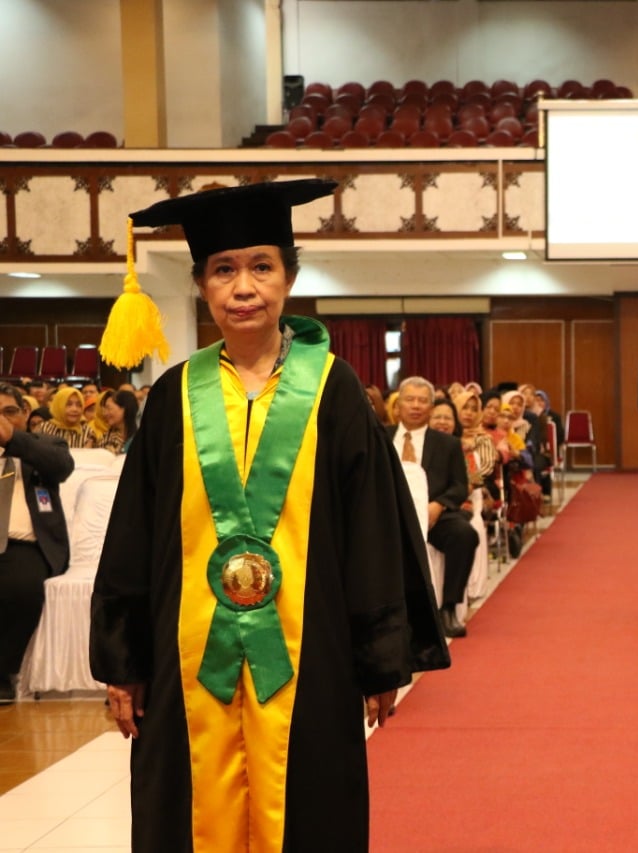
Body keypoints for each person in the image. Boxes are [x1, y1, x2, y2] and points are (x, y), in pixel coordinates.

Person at [89, 180, 449, 852]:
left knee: (309, 804)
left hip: (310, 656)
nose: (243, 286)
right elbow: (135, 533)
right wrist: (124, 658)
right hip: (186, 658)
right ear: (201, 284)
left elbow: (372, 531)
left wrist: (379, 660)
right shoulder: (173, 397)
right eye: (224, 269)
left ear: (289, 276)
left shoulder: (333, 390)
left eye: (261, 266)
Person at [0, 383, 72, 704]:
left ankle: (2, 674)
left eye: (8, 412)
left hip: (24, 546)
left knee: (21, 589)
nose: (1, 420)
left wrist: (13, 441)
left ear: (25, 413)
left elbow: (62, 467)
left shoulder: (44, 444)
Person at [392, 376, 479, 639]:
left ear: (431, 407)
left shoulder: (447, 444)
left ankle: (448, 609)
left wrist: (438, 506)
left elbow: (459, 486)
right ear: (398, 405)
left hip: (433, 516)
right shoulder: (379, 437)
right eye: (410, 399)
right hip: (390, 516)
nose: (416, 406)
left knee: (464, 535)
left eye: (422, 401)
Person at [98, 389, 139, 454]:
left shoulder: (141, 437)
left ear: (124, 409)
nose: (105, 413)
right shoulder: (106, 438)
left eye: (109, 408)